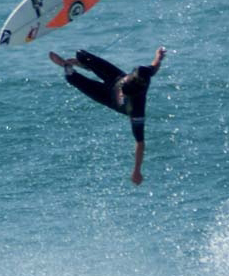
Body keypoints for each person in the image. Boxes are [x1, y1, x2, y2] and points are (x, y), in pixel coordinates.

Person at [49, 46, 167, 185]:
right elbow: (154, 66)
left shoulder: (136, 111)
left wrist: (136, 170)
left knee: (72, 78)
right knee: (81, 54)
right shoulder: (142, 73)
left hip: (108, 98)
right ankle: (84, 64)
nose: (122, 93)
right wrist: (158, 55)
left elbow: (140, 143)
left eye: (124, 93)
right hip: (115, 77)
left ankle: (66, 66)